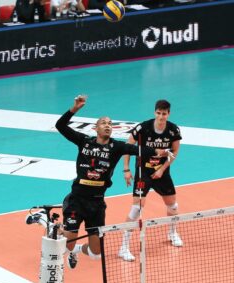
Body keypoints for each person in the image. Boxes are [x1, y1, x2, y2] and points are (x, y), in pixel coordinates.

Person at [54, 95, 167, 269]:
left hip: (97, 205)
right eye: (104, 123)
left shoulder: (117, 147)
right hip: (77, 200)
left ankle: (76, 250)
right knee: (64, 247)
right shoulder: (84, 141)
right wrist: (74, 108)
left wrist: (155, 151)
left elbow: (138, 149)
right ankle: (55, 228)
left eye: (110, 124)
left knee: (95, 254)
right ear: (96, 128)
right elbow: (60, 126)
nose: (108, 125)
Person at [118, 99, 183, 261]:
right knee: (136, 208)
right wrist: (126, 169)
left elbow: (174, 152)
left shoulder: (173, 130)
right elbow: (127, 146)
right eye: (158, 113)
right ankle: (123, 247)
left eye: (164, 114)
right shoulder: (143, 128)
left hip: (162, 173)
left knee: (173, 206)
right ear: (155, 112)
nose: (161, 117)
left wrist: (162, 169)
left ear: (169, 114)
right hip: (143, 173)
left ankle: (172, 233)